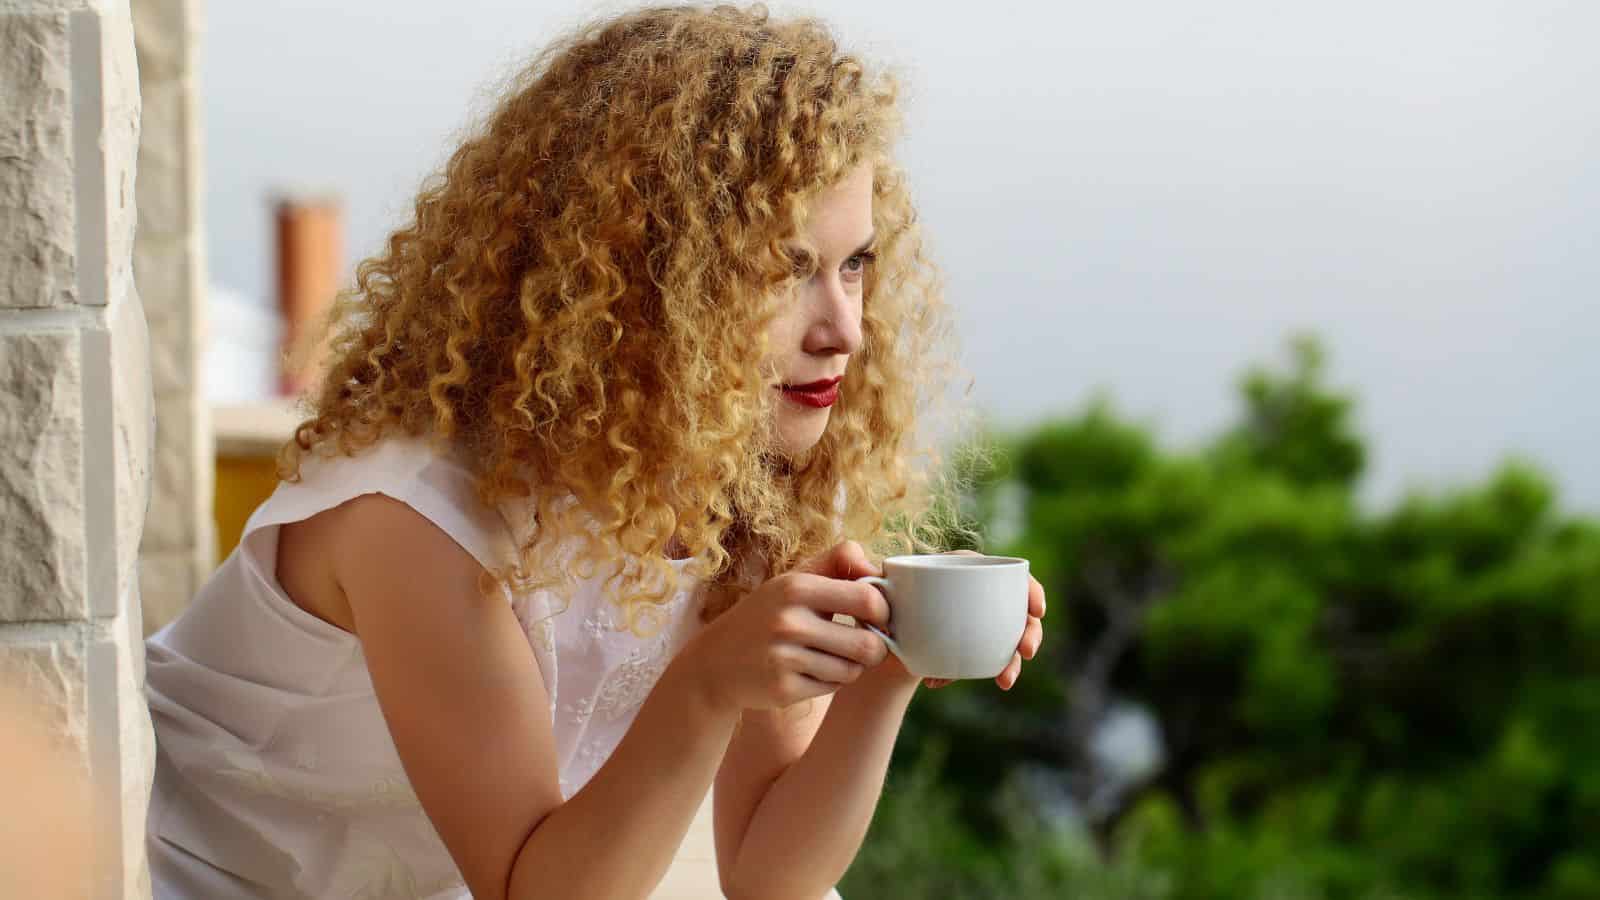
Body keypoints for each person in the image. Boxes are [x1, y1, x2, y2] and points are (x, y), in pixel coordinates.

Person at [144, 4, 1046, 898]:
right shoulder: (411, 512)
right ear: (646, 281)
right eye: (785, 270)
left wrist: (886, 671)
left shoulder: (742, 484)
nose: (844, 330)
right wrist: (704, 687)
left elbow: (772, 876)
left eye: (856, 263)